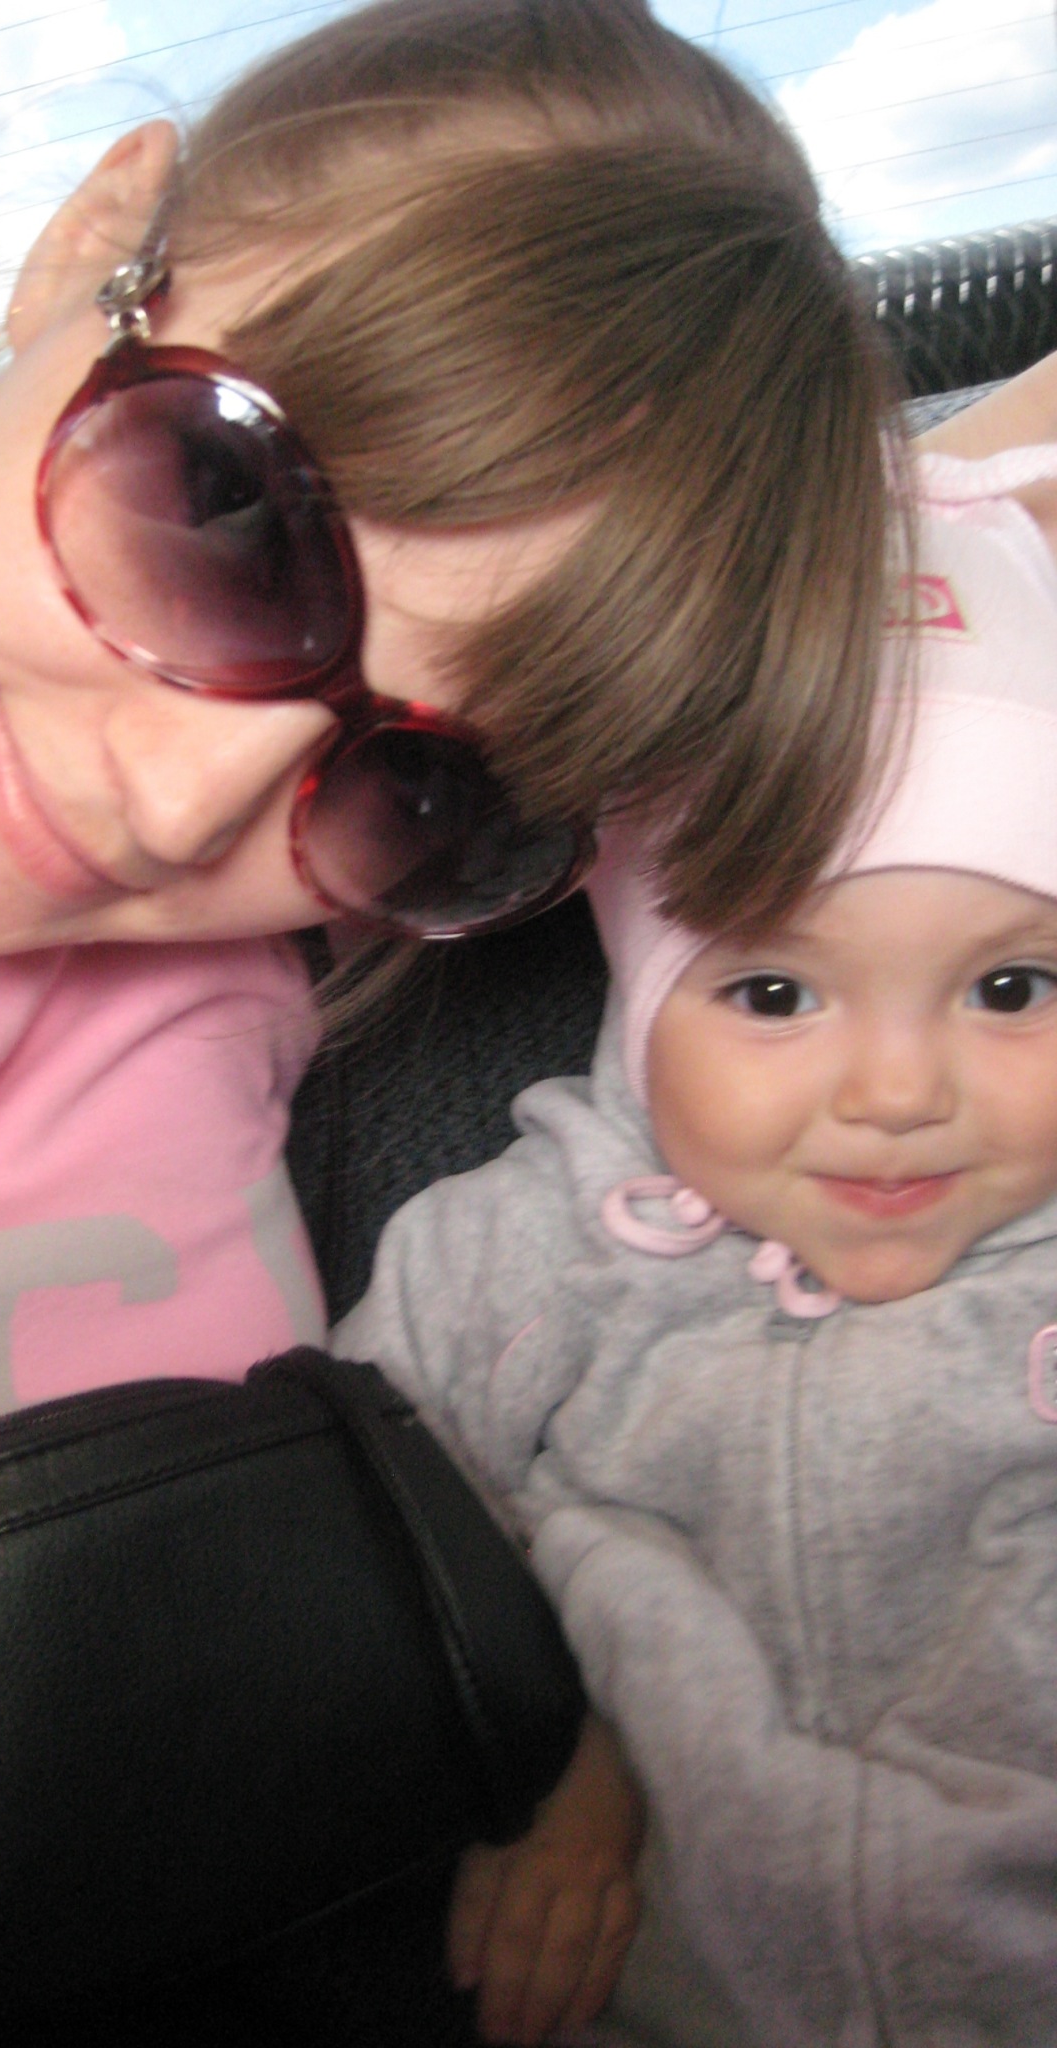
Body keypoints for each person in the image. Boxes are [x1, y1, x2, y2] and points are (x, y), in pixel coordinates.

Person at [0, 0, 955, 2038]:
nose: (196, 807)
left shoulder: (237, 972)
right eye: (227, 519)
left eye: (422, 791)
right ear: (89, 248)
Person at [335, 444, 1057, 2048]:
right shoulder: (523, 1263)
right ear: (641, 1000)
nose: (897, 1095)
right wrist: (548, 1742)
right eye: (774, 993)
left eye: (1011, 991)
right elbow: (355, 1534)